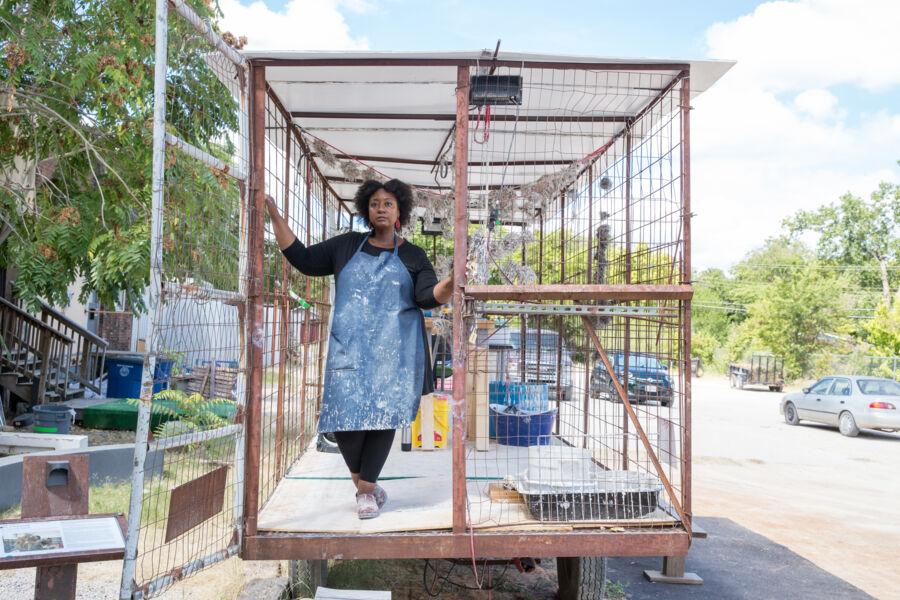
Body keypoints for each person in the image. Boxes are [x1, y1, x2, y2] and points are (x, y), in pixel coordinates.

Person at [265, 178, 453, 519]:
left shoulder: (413, 255)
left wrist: (451, 283)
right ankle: (368, 488)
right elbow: (304, 259)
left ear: (399, 211)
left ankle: (365, 491)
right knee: (344, 422)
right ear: (367, 209)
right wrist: (274, 214)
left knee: (383, 420)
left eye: (388, 204)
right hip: (349, 352)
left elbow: (427, 296)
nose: (381, 209)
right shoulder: (347, 246)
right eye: (375, 203)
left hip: (394, 358)